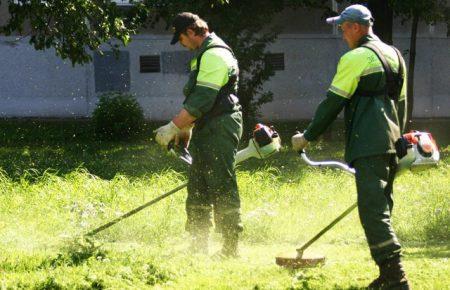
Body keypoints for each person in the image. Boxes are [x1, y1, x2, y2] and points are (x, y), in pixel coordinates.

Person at [291, 5, 410, 290]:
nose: (341, 33)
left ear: (356, 27)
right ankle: (388, 275)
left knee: (372, 212)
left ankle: (396, 278)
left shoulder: (356, 57)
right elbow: (401, 103)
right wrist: (398, 137)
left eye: (343, 28)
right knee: (381, 206)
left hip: (368, 143)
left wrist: (307, 136)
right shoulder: (395, 55)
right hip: (393, 142)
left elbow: (334, 102)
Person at [154, 12, 243, 257]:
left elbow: (203, 99)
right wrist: (186, 128)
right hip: (207, 125)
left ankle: (230, 246)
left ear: (192, 32)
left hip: (221, 125)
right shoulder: (202, 56)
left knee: (222, 184)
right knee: (198, 185)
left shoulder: (215, 54)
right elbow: (197, 100)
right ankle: (198, 243)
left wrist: (172, 127)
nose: (181, 44)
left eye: (181, 38)